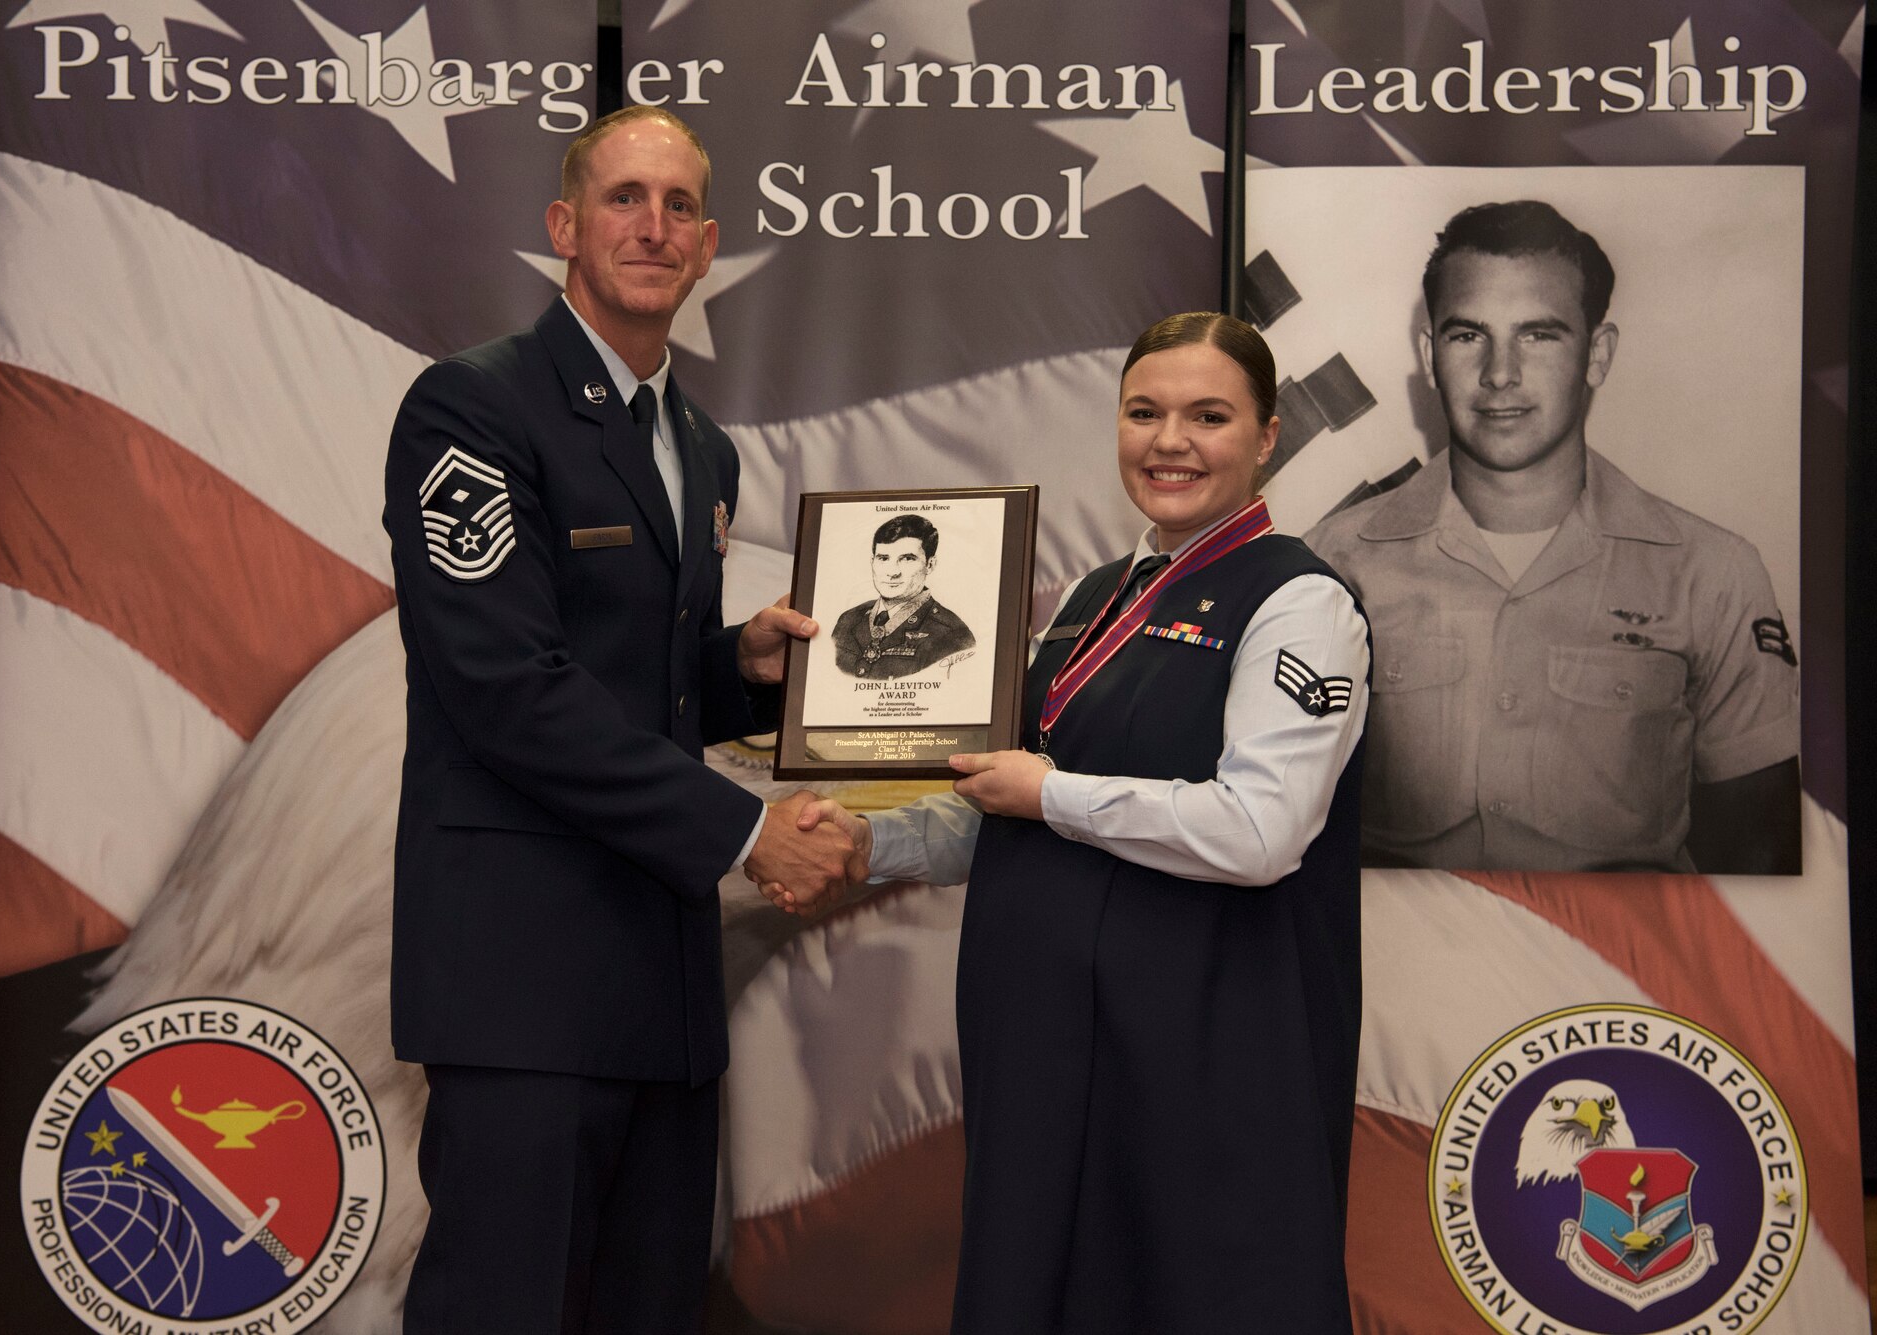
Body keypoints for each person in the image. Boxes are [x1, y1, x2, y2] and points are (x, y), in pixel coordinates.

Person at [773, 313, 1370, 1332]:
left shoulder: (1300, 602)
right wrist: (871, 843)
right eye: (1143, 412)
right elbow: (1002, 801)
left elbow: (1259, 831)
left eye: (1207, 415)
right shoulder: (1090, 598)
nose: (1168, 440)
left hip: (1203, 1055)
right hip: (1048, 1052)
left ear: (1267, 434)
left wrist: (1045, 791)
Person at [381, 106, 859, 1334]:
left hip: (660, 978)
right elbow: (508, 690)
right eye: (622, 199)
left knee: (646, 1311)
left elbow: (633, 676)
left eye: (679, 206)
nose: (653, 226)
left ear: (706, 245)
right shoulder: (471, 411)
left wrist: (740, 665)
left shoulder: (699, 446)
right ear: (563, 227)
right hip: (523, 980)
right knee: (507, 1310)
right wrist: (751, 837)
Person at [1304, 200, 1801, 875]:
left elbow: (1758, 857)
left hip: (1617, 977)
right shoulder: (1332, 564)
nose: (1500, 373)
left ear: (1597, 354)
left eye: (1539, 335)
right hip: (1395, 965)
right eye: (1467, 335)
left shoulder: (1711, 573)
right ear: (1428, 355)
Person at [831, 512, 977, 678]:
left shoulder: (953, 634)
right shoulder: (848, 620)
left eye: (907, 559)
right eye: (883, 558)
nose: (892, 572)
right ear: (872, 562)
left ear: (930, 565)